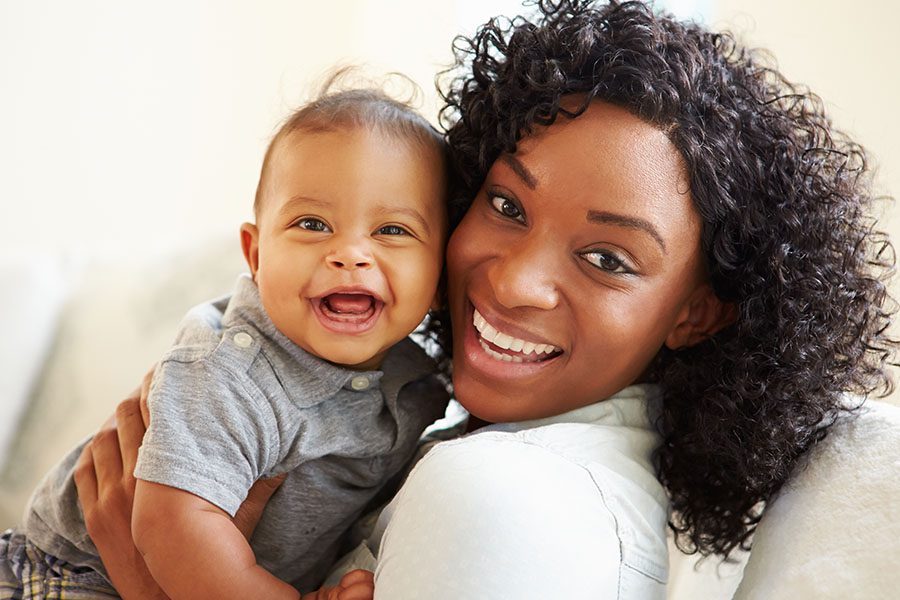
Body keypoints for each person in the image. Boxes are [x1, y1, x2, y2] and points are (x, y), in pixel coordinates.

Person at [73, 0, 897, 598]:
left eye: (607, 257)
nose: (509, 281)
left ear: (699, 309)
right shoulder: (420, 402)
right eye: (505, 206)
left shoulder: (500, 500)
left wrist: (153, 587)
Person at [0, 85, 453, 600]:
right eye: (312, 224)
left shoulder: (417, 384)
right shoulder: (229, 372)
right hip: (68, 573)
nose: (349, 253)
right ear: (256, 256)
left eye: (391, 230)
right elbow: (172, 527)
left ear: (440, 278)